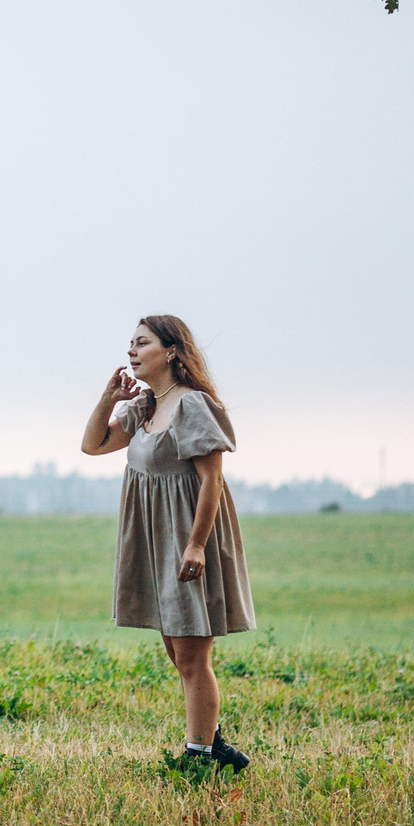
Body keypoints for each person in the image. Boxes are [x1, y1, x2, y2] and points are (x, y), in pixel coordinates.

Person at [79, 315, 256, 773]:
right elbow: (92, 445)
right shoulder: (144, 408)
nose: (132, 351)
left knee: (193, 653)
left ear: (172, 351)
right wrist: (108, 398)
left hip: (186, 538)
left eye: (142, 343)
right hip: (154, 541)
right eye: (130, 344)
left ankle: (199, 756)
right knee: (178, 653)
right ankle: (213, 745)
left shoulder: (192, 406)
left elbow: (212, 479)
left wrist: (196, 545)